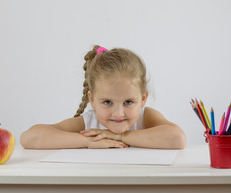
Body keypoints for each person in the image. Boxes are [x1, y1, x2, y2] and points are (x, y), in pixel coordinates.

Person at [20, 45, 186, 149]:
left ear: (143, 99)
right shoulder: (89, 123)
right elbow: (30, 138)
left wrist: (120, 136)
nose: (118, 113)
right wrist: (87, 141)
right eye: (107, 102)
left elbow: (177, 138)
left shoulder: (147, 117)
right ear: (92, 99)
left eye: (128, 102)